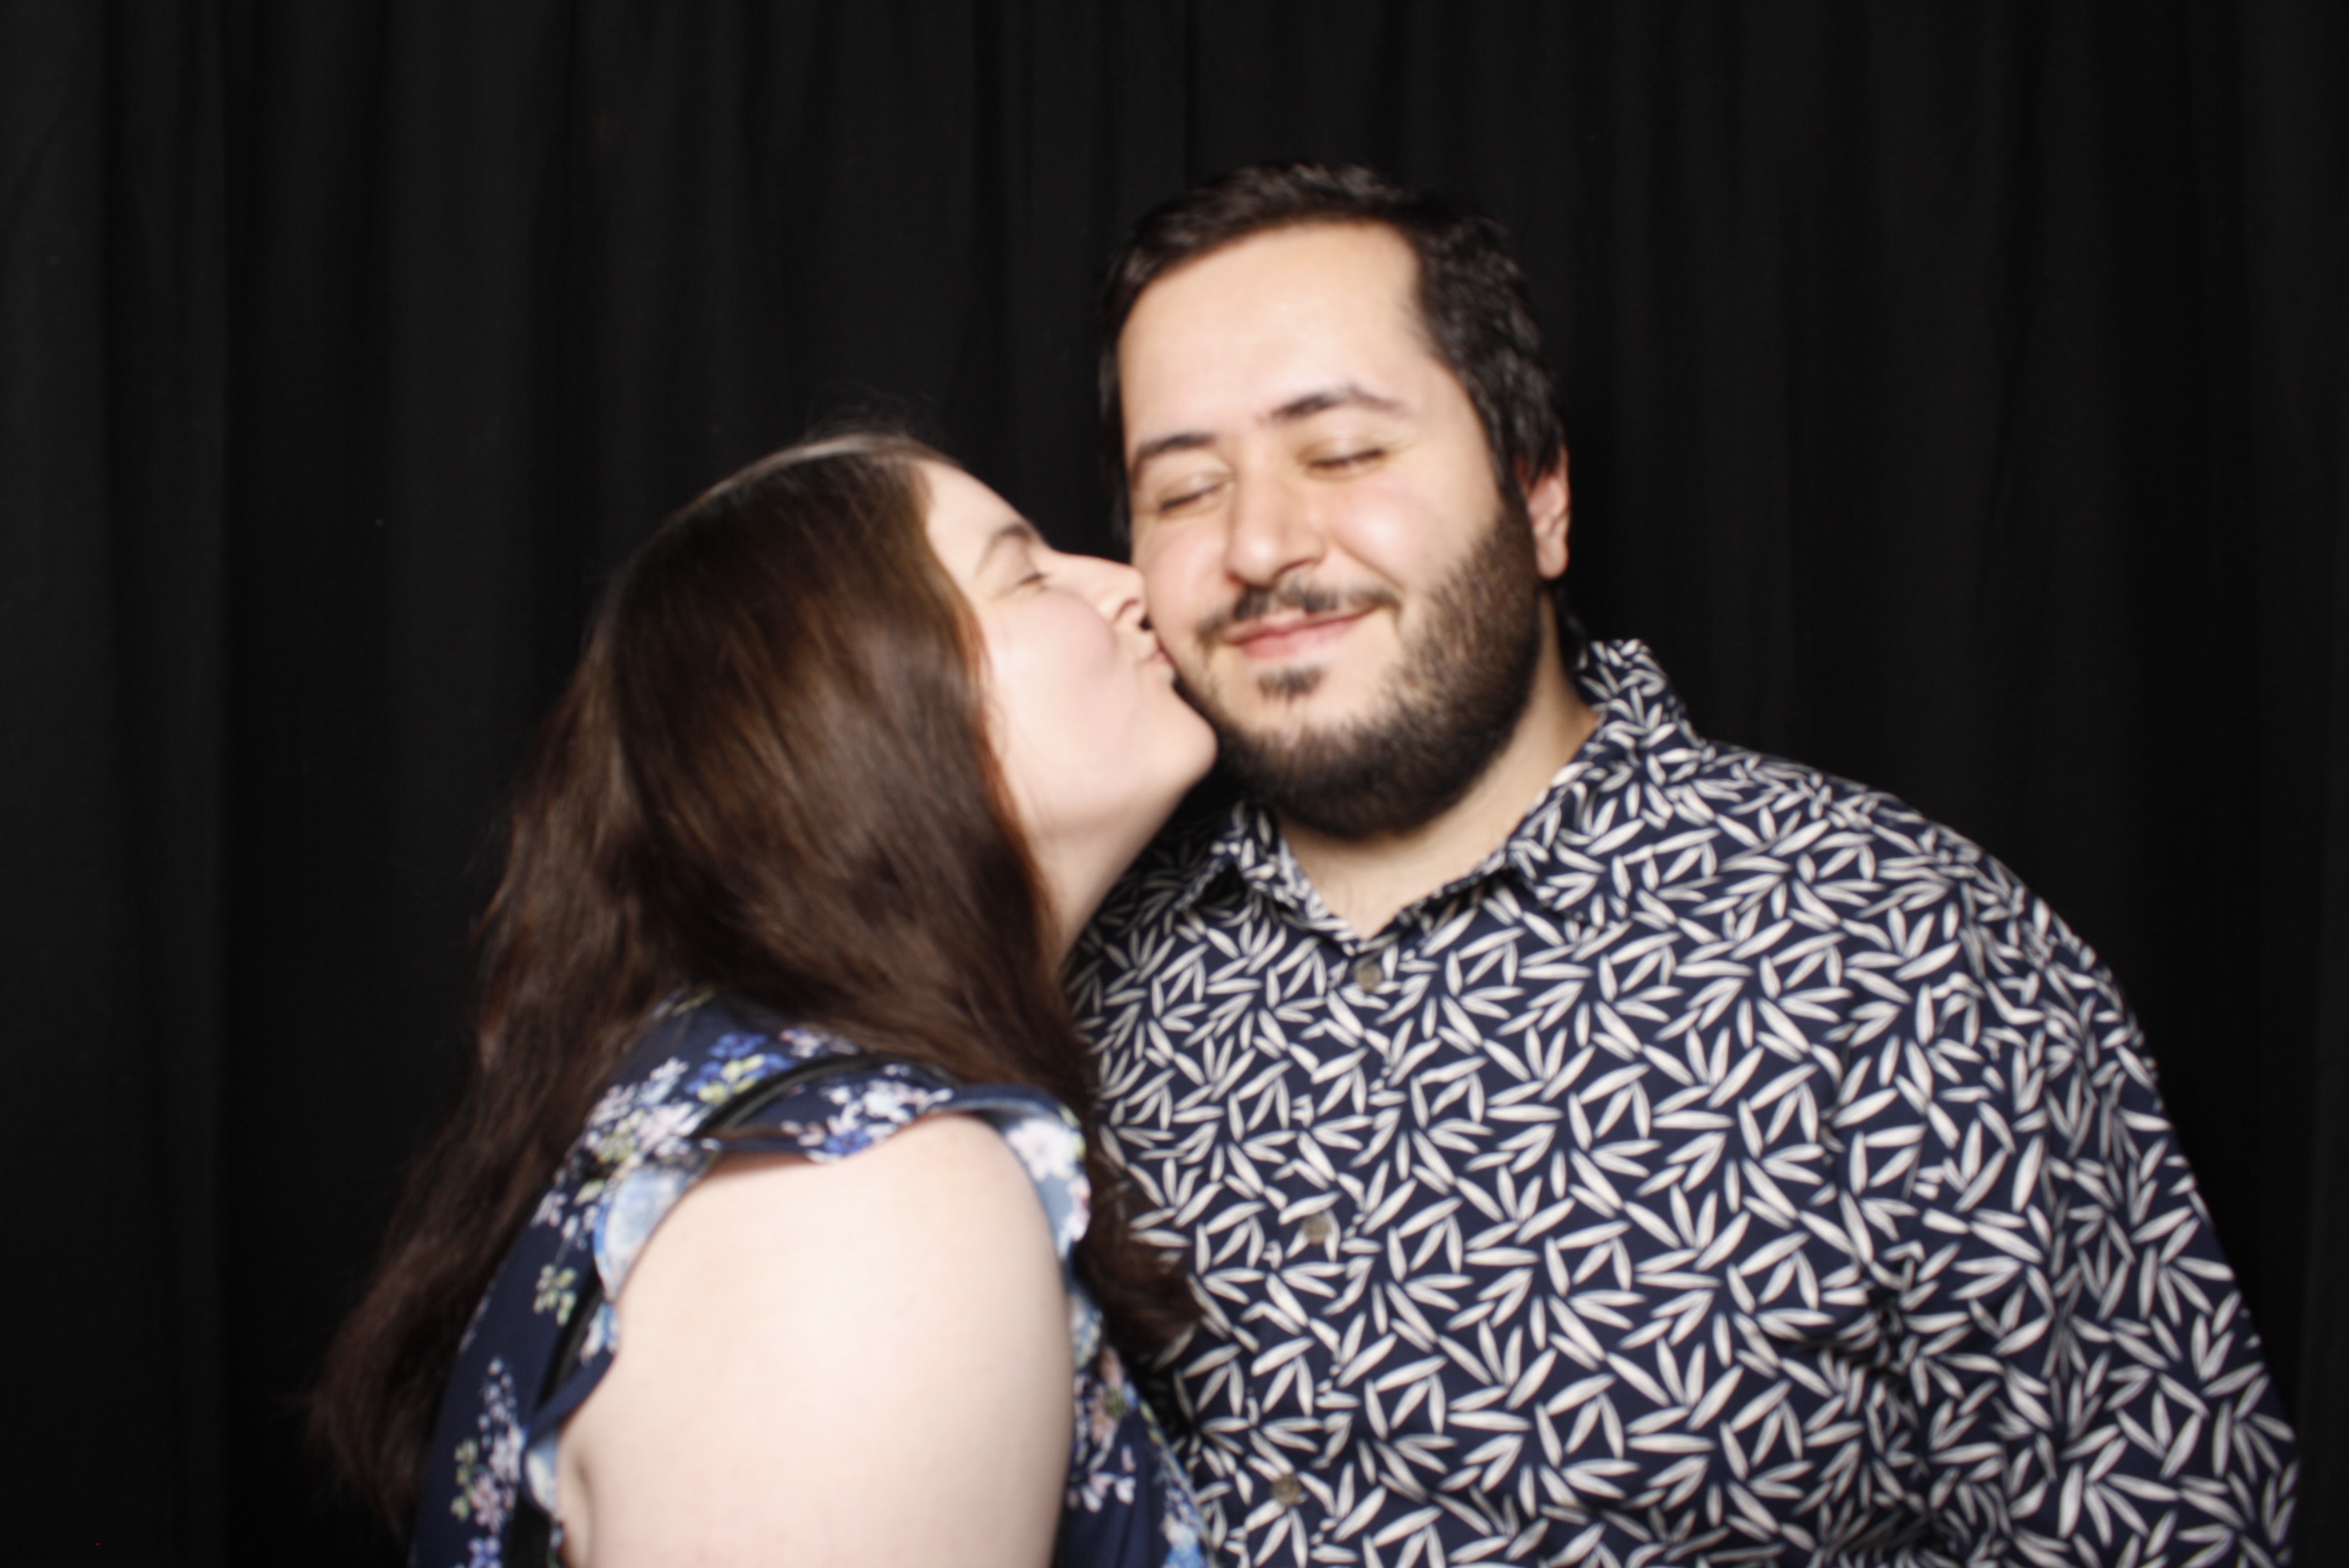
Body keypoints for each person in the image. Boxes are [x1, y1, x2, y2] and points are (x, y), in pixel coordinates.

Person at [1071, 163, 2299, 1566]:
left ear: (1540, 495)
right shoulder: (1074, 970)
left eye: (1343, 453)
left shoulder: (1906, 960)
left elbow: (2165, 1529)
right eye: (1186, 489)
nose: (1258, 545)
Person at [315, 430, 1218, 1567]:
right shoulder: (862, 1200)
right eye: (1025, 572)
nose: (1130, 584)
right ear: (864, 713)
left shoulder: (762, 1106)